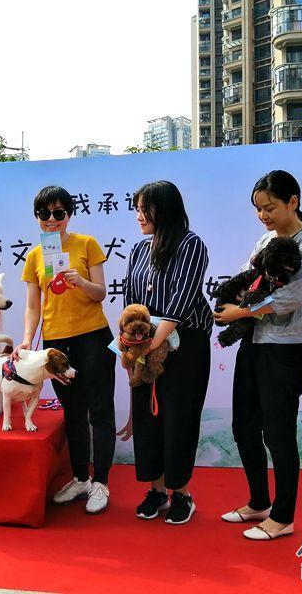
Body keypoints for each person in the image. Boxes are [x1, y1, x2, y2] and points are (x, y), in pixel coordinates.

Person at [214, 169, 302, 541]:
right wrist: (231, 303)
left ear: (293, 202)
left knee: (278, 434)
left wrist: (241, 312)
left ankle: (283, 517)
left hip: (285, 349)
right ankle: (259, 502)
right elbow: (246, 277)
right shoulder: (266, 239)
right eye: (258, 208)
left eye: (270, 207)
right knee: (244, 427)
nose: (263, 215)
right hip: (253, 343)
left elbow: (291, 298)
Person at [13, 185, 116, 515]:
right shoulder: (35, 256)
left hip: (94, 337)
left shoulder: (86, 244)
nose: (52, 219)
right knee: (72, 412)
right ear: (37, 217)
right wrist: (27, 340)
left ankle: (101, 482)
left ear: (69, 214)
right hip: (56, 346)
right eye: (44, 214)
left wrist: (80, 282)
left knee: (100, 411)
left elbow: (100, 293)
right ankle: (80, 478)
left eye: (59, 213)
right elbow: (33, 306)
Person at [123, 180, 213, 525]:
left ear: (164, 210)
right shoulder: (138, 249)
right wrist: (129, 347)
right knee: (147, 417)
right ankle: (157, 490)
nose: (139, 216)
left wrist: (149, 345)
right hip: (143, 341)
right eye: (137, 209)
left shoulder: (191, 245)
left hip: (183, 344)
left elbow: (180, 303)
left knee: (178, 417)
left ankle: (181, 493)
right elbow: (131, 302)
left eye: (145, 209)